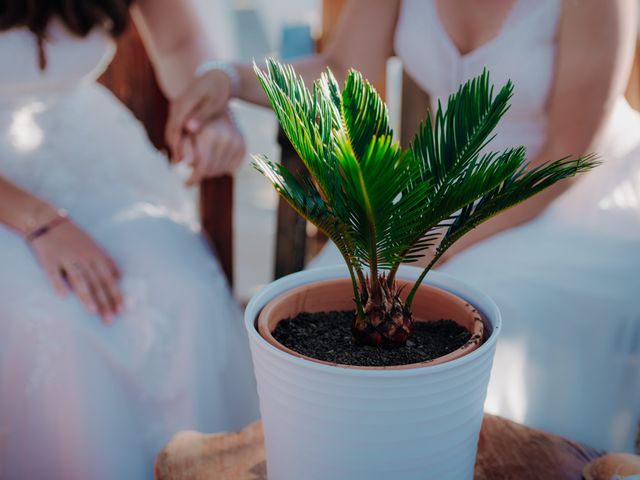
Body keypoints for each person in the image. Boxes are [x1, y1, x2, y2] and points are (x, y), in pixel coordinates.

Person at [169, 0, 640, 453]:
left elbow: (569, 155)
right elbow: (339, 71)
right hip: (445, 182)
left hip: (566, 198)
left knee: (477, 333)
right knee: (318, 298)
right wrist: (229, 78)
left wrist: (435, 240)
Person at [0, 1, 259, 478]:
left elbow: (181, 42)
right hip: (8, 196)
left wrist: (207, 114)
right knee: (56, 322)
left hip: (88, 152)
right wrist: (41, 222)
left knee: (186, 293)